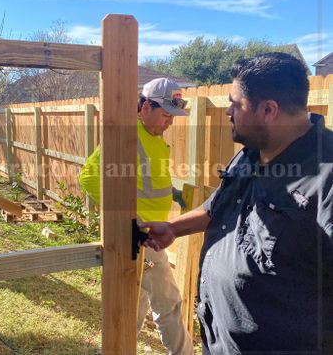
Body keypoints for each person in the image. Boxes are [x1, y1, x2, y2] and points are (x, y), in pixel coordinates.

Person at [141, 53, 333, 354]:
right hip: (219, 341)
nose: (228, 111)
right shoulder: (250, 153)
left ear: (268, 110)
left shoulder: (326, 177)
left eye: (235, 104)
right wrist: (173, 228)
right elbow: (218, 206)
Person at [80, 78, 193, 355]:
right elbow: (89, 178)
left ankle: (116, 349)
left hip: (149, 237)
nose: (169, 122)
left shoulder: (154, 139)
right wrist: (131, 220)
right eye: (165, 115)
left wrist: (174, 194)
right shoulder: (126, 137)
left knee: (136, 304)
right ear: (144, 107)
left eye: (172, 117)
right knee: (169, 303)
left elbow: (146, 181)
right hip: (142, 238)